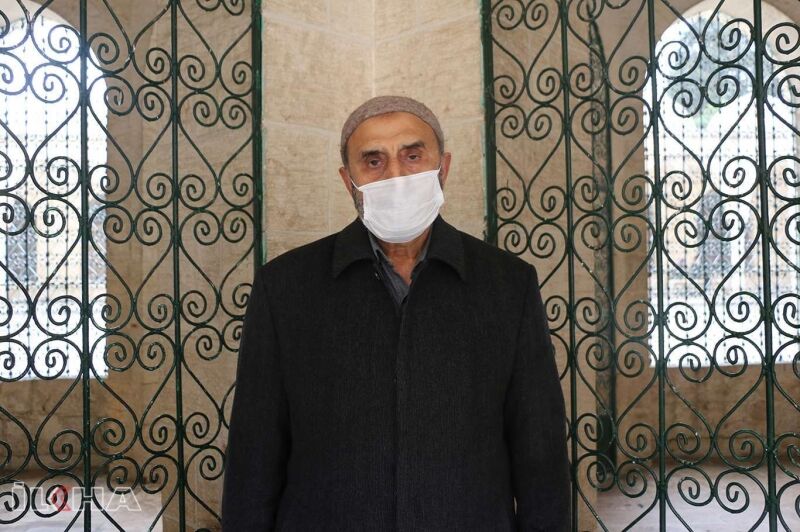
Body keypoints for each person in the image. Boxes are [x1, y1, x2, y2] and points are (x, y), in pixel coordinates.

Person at [220, 95, 570, 531]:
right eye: (374, 161)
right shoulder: (286, 286)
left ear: (443, 168)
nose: (396, 175)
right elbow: (255, 450)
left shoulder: (507, 284)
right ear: (348, 181)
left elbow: (539, 449)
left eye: (412, 155)